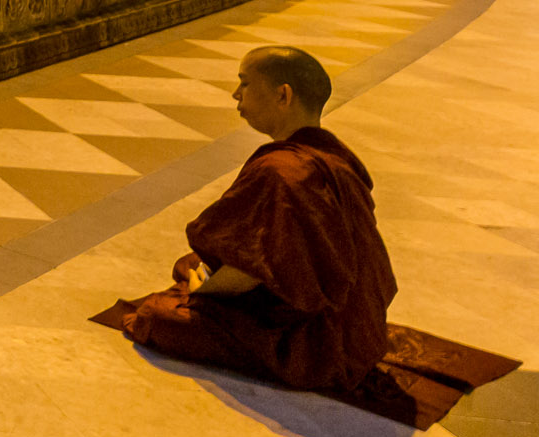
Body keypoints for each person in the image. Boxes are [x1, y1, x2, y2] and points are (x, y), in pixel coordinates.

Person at [103, 47, 397, 392]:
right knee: (192, 263)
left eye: (245, 84)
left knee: (156, 318)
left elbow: (249, 269)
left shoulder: (283, 171)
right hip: (361, 326)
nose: (236, 94)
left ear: (282, 95)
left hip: (317, 344)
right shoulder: (334, 153)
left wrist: (204, 291)